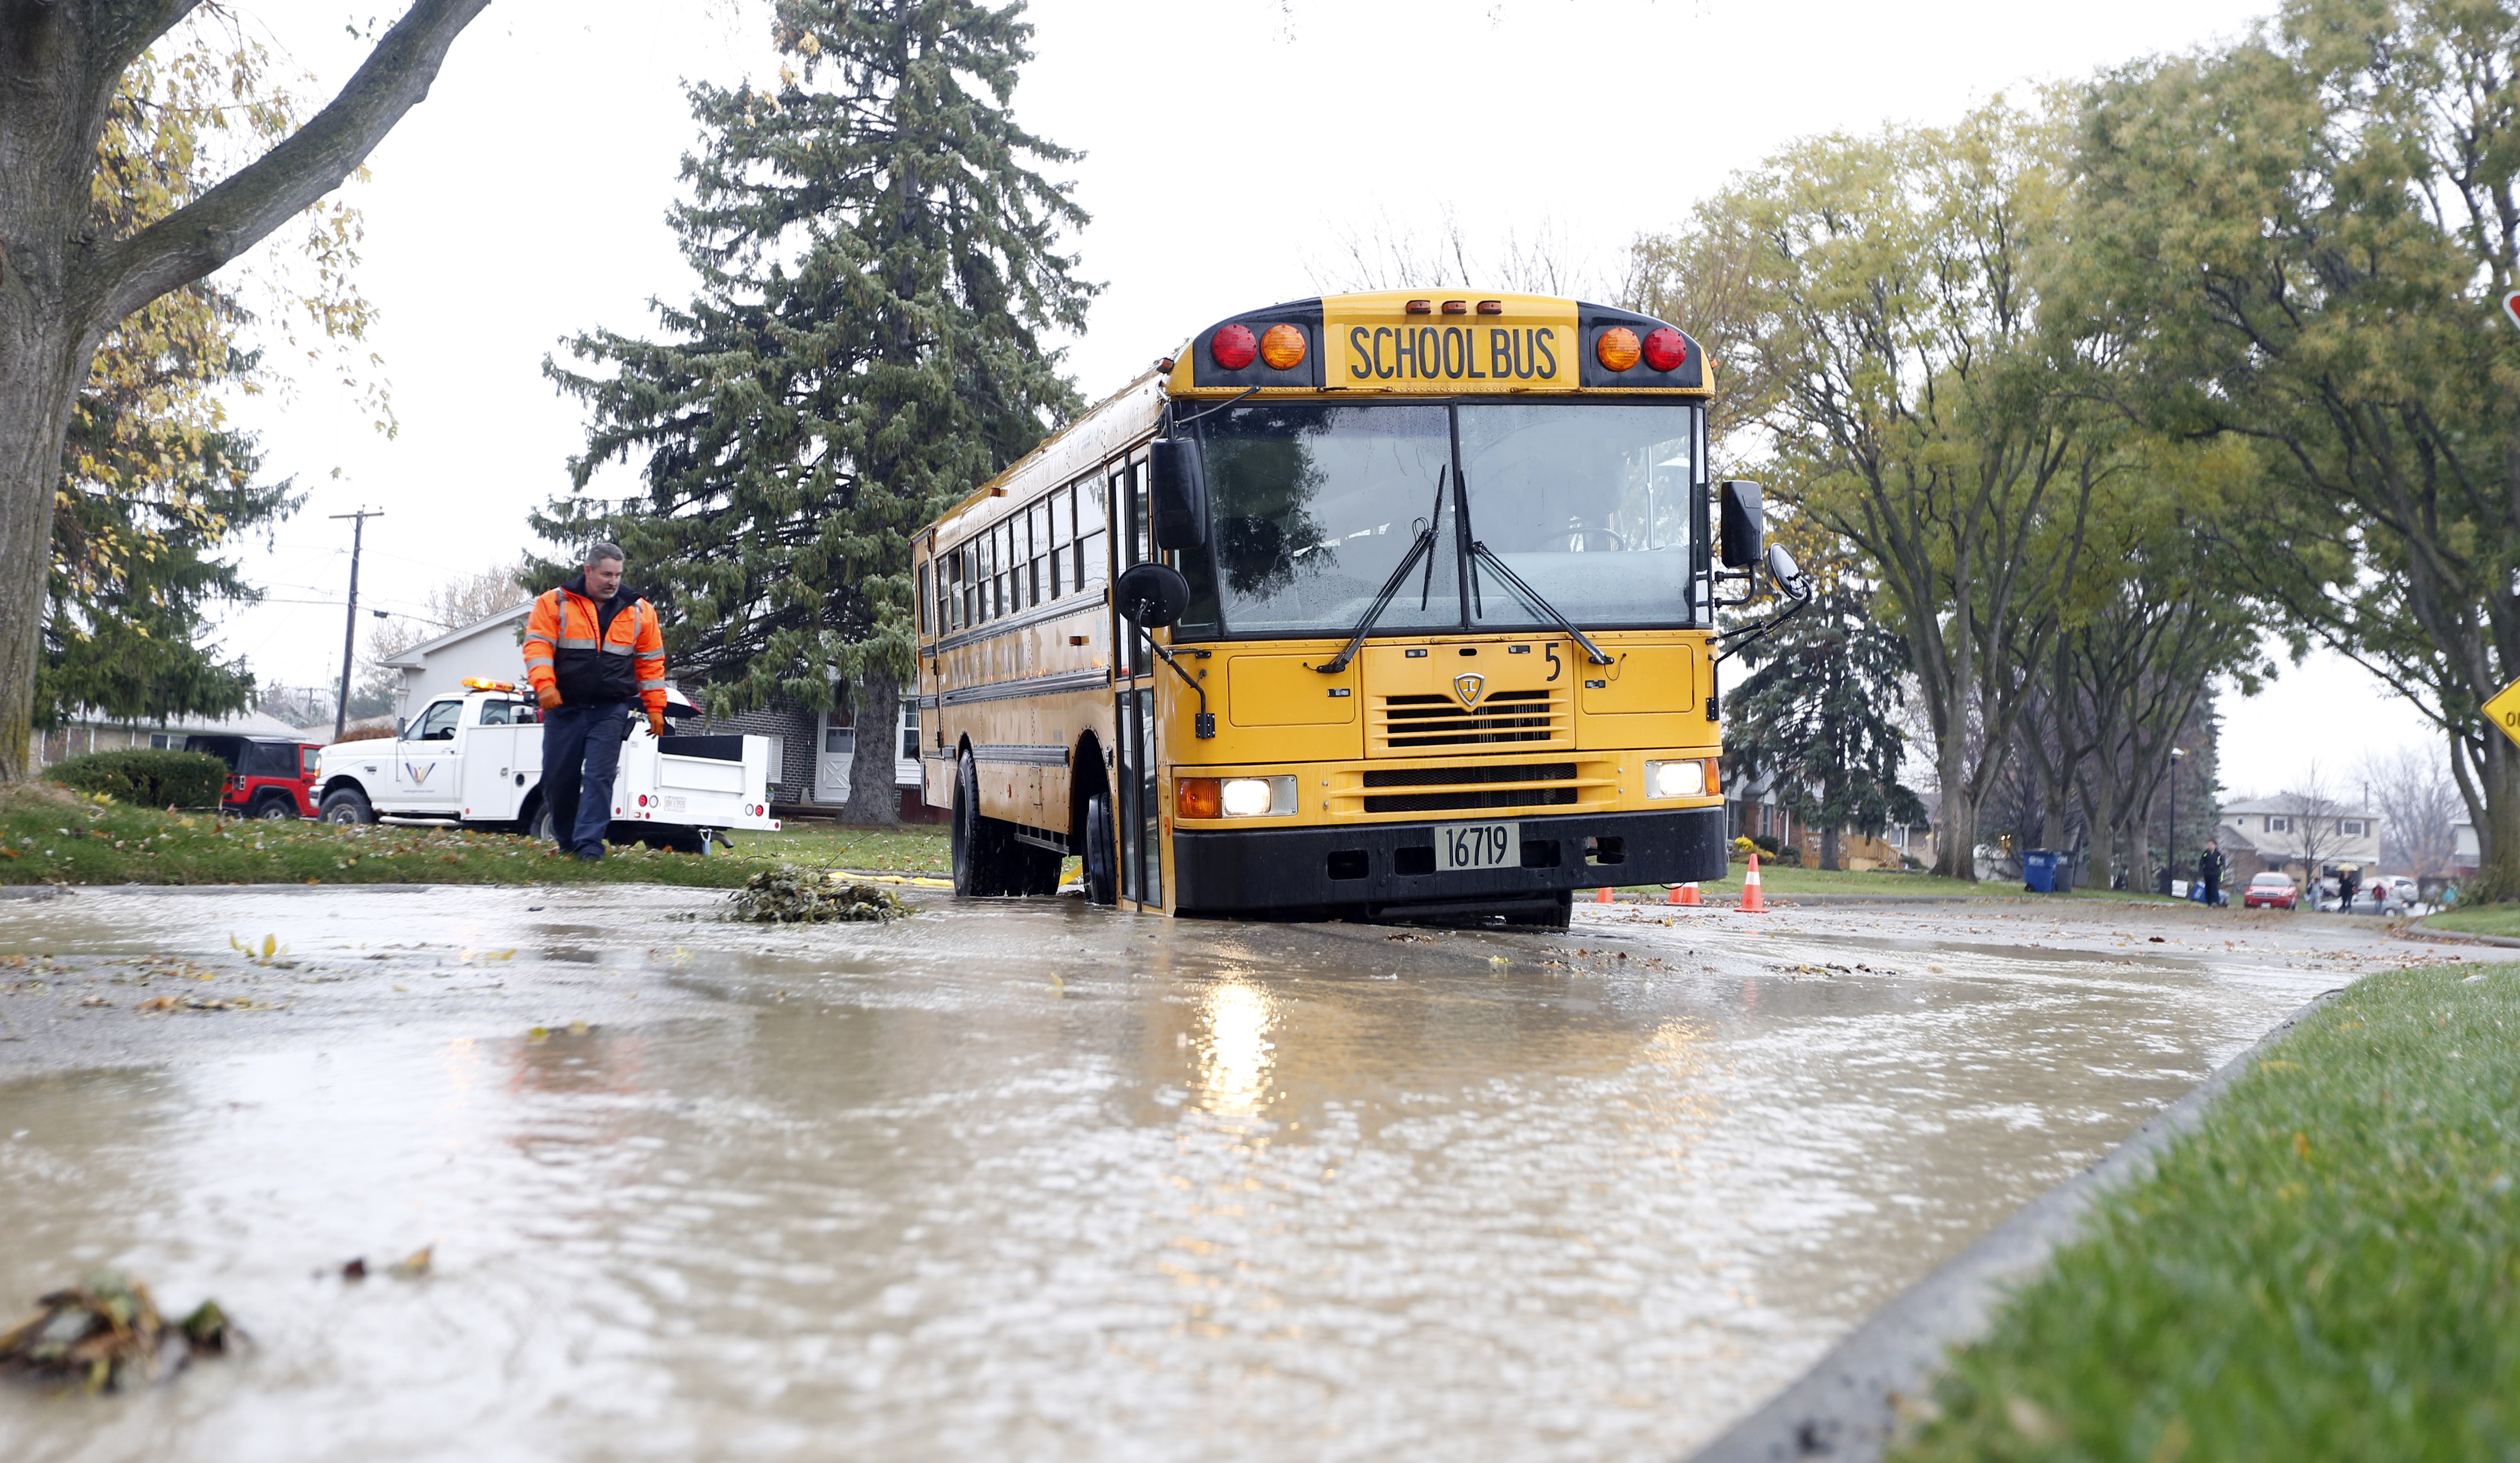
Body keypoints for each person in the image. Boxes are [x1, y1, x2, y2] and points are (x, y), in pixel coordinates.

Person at [521, 543, 667, 860]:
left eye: (617, 575)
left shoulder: (640, 610)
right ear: (588, 571)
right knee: (559, 780)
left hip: (609, 710)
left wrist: (655, 707)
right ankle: (567, 841)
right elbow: (537, 647)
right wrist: (545, 686)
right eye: (606, 574)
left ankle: (590, 848)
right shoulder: (554, 603)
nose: (612, 581)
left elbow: (651, 664)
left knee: (600, 777)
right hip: (563, 709)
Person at [2199, 839, 2225, 908]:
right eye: (2209, 845)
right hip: (2207, 874)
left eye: (2212, 845)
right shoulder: (2206, 854)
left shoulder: (2218, 854)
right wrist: (2202, 872)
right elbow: (2202, 863)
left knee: (2215, 888)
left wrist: (2219, 864)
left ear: (2215, 846)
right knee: (2208, 888)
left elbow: (2223, 864)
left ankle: (2215, 902)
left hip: (2215, 874)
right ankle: (2209, 903)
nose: (2210, 846)